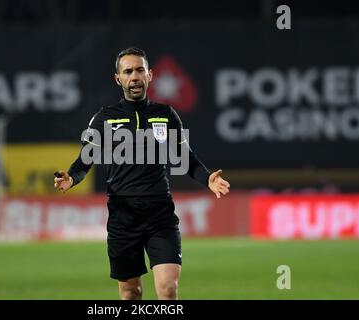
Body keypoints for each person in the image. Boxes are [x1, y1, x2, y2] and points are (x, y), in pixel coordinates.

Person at [54, 47, 230, 300]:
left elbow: (185, 159)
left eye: (139, 70)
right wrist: (71, 177)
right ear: (118, 79)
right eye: (128, 71)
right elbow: (85, 160)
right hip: (123, 217)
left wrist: (207, 179)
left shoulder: (166, 115)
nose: (134, 76)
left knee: (168, 289)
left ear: (150, 75)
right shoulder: (104, 118)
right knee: (131, 293)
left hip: (160, 215)